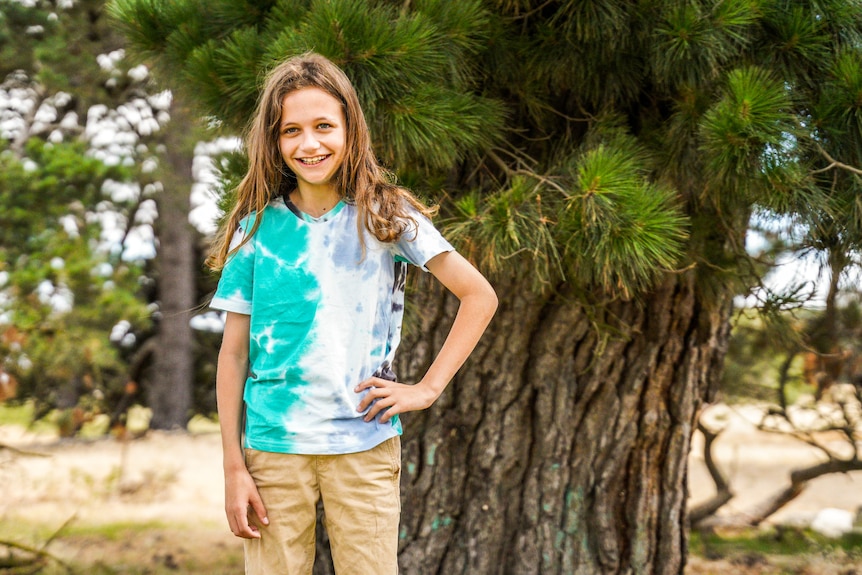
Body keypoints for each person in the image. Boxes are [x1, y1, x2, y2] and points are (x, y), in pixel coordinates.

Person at [207, 52, 497, 575]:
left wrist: (425, 389)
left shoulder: (387, 216)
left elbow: (479, 296)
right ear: (273, 142)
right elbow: (232, 356)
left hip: (363, 444)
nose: (309, 144)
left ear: (350, 130)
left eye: (323, 126)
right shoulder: (254, 232)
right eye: (290, 130)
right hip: (274, 451)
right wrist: (233, 466)